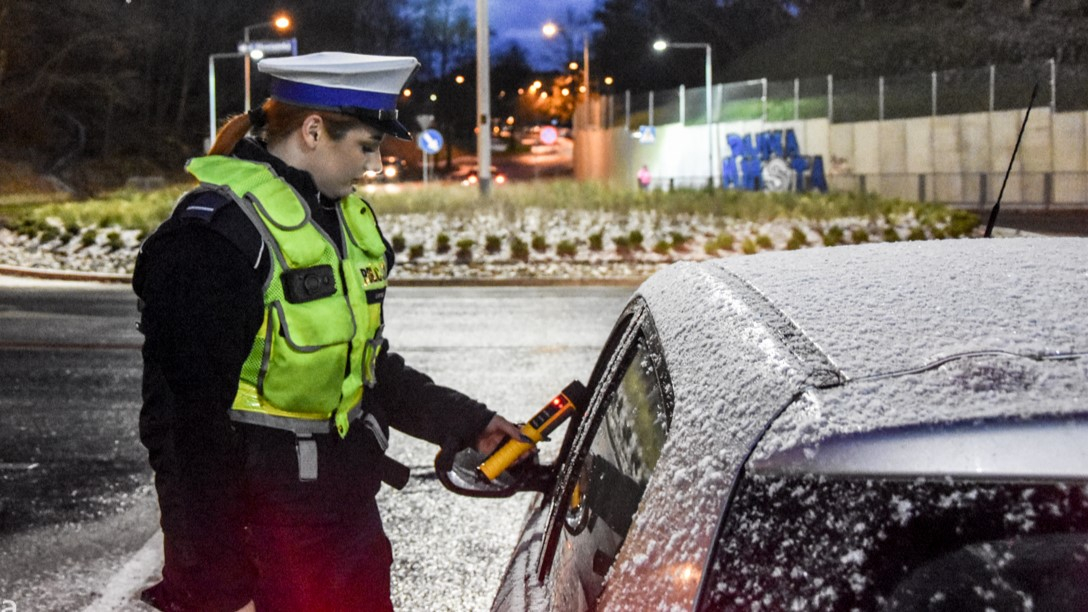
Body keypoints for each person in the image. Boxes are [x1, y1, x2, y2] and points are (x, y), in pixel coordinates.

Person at [133, 52, 526, 612]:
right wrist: (216, 585)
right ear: (313, 131)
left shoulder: (336, 216)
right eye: (367, 145)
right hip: (258, 548)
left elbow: (362, 367)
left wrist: (467, 422)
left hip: (342, 528)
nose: (374, 163)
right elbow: (181, 428)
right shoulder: (215, 237)